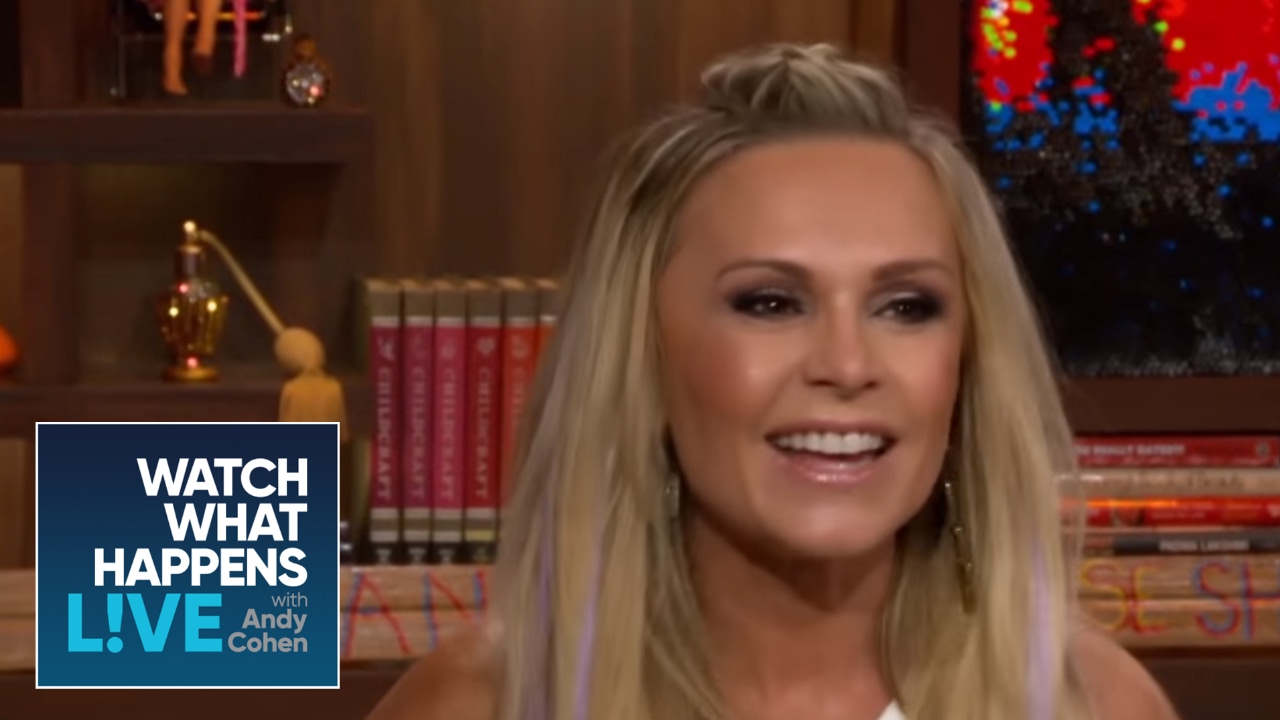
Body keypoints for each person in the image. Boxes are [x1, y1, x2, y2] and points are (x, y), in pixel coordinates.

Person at [365, 43, 1179, 720]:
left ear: (967, 364)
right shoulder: (487, 704)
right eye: (770, 303)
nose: (847, 365)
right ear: (643, 354)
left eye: (906, 306)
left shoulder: (1086, 705)